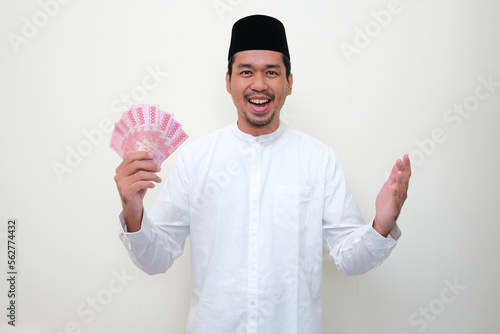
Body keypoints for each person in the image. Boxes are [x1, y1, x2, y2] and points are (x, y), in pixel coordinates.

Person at [114, 14, 411, 334]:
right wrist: (133, 212)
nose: (259, 84)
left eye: (272, 72)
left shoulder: (318, 160)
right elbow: (156, 260)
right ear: (228, 81)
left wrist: (383, 223)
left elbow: (350, 260)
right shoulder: (196, 160)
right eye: (246, 72)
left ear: (289, 82)